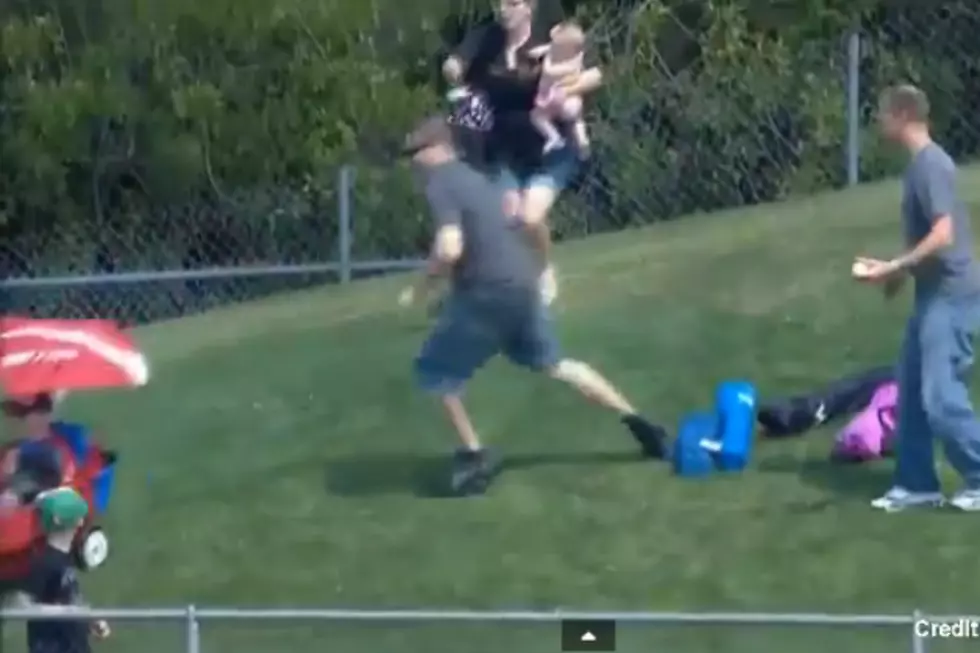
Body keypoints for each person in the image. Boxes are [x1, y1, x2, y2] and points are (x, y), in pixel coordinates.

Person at [400, 116, 668, 496]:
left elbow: (450, 247)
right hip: (521, 286)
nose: (411, 162)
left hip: (487, 294)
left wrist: (422, 287)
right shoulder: (477, 179)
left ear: (436, 150)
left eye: (415, 154)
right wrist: (541, 270)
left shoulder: (441, 182)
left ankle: (474, 456)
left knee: (434, 371)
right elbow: (528, 227)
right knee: (558, 365)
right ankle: (640, 424)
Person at [853, 84, 980, 512]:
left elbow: (943, 234)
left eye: (882, 114)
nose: (878, 122)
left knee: (940, 396)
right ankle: (917, 484)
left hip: (952, 297)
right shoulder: (918, 168)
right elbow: (924, 242)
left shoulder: (932, 166)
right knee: (909, 390)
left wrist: (892, 267)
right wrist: (892, 273)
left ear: (903, 115)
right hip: (931, 295)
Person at [442, 0, 604, 303]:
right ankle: (475, 286)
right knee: (501, 218)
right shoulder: (486, 39)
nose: (504, 9)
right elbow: (456, 62)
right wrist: (453, 70)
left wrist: (564, 90)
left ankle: (544, 273)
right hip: (504, 152)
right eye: (500, 3)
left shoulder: (549, 36)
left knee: (529, 217)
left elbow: (595, 74)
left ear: (529, 7)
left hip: (551, 147)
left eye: (513, 3)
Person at [7, 487, 111, 653]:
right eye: (79, 518)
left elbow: (70, 596)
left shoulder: (65, 556)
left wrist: (90, 619)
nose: (81, 523)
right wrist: (64, 611)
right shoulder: (43, 563)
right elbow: (21, 603)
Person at [529, 22, 589, 155]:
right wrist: (539, 51)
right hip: (572, 99)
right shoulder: (575, 56)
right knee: (577, 119)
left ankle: (554, 137)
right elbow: (546, 48)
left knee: (536, 116)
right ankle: (583, 139)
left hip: (554, 98)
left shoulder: (568, 65)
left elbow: (548, 71)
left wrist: (547, 59)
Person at [1, 393, 72, 507]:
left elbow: (55, 489)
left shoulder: (55, 452)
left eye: (19, 415)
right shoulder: (12, 447)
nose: (11, 420)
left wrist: (16, 493)